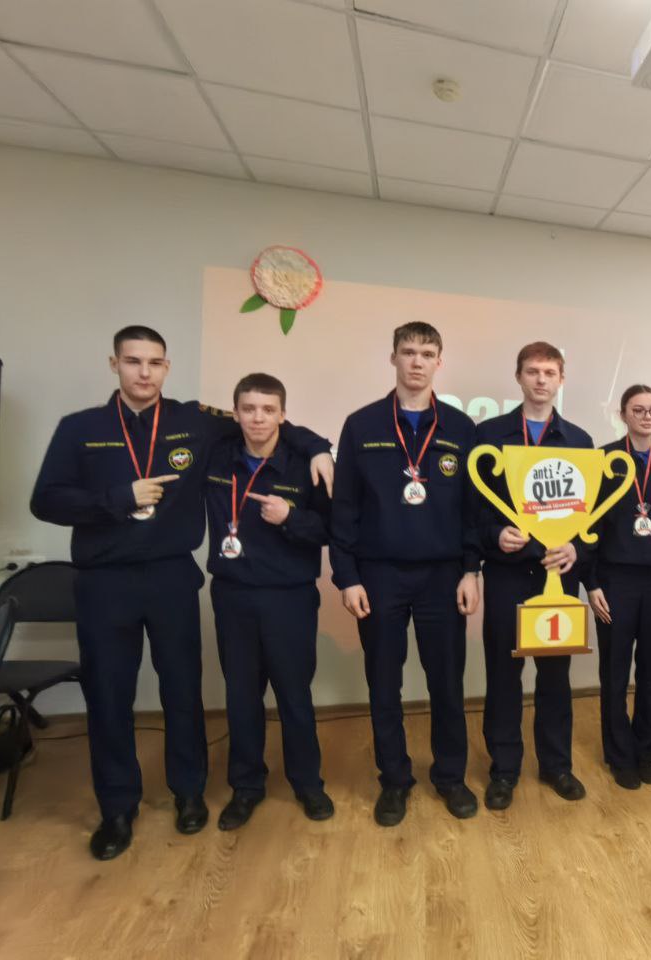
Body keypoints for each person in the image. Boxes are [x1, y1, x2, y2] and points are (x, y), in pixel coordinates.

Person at [30, 326, 333, 861]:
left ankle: (189, 793)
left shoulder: (196, 421)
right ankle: (117, 808)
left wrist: (318, 447)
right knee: (108, 698)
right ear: (114, 364)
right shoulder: (80, 428)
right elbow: (46, 501)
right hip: (104, 582)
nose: (144, 372)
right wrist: (116, 498)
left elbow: (265, 422)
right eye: (133, 361)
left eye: (154, 362)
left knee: (183, 693)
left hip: (172, 578)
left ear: (167, 367)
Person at [330, 322, 480, 827]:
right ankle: (394, 780)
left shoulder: (461, 428)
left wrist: (471, 570)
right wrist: (347, 576)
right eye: (408, 352)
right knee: (383, 684)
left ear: (440, 361)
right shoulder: (362, 425)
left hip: (444, 575)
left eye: (427, 353)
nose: (417, 361)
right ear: (393, 358)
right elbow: (345, 508)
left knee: (447, 683)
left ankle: (450, 777)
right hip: (379, 575)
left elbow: (472, 510)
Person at [203, 373, 333, 830]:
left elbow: (330, 530)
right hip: (233, 595)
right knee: (241, 696)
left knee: (294, 695)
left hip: (289, 598)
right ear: (235, 413)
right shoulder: (215, 453)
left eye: (268, 410)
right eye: (249, 409)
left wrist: (291, 517)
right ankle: (246, 786)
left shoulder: (306, 464)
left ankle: (308, 783)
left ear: (283, 415)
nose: (258, 418)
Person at [472, 342, 593, 809]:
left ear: (561, 379)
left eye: (549, 372)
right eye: (532, 371)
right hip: (507, 574)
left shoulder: (579, 440)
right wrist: (494, 535)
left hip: (558, 575)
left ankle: (557, 765)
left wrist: (577, 548)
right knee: (504, 674)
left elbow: (592, 515)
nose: (541, 380)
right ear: (518, 377)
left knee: (555, 675)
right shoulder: (490, 434)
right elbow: (473, 508)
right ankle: (504, 770)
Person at [581, 385, 651, 790]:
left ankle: (646, 751)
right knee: (614, 672)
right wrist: (591, 583)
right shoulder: (604, 460)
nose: (647, 417)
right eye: (638, 410)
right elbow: (587, 527)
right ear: (622, 414)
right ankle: (619, 755)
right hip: (615, 581)